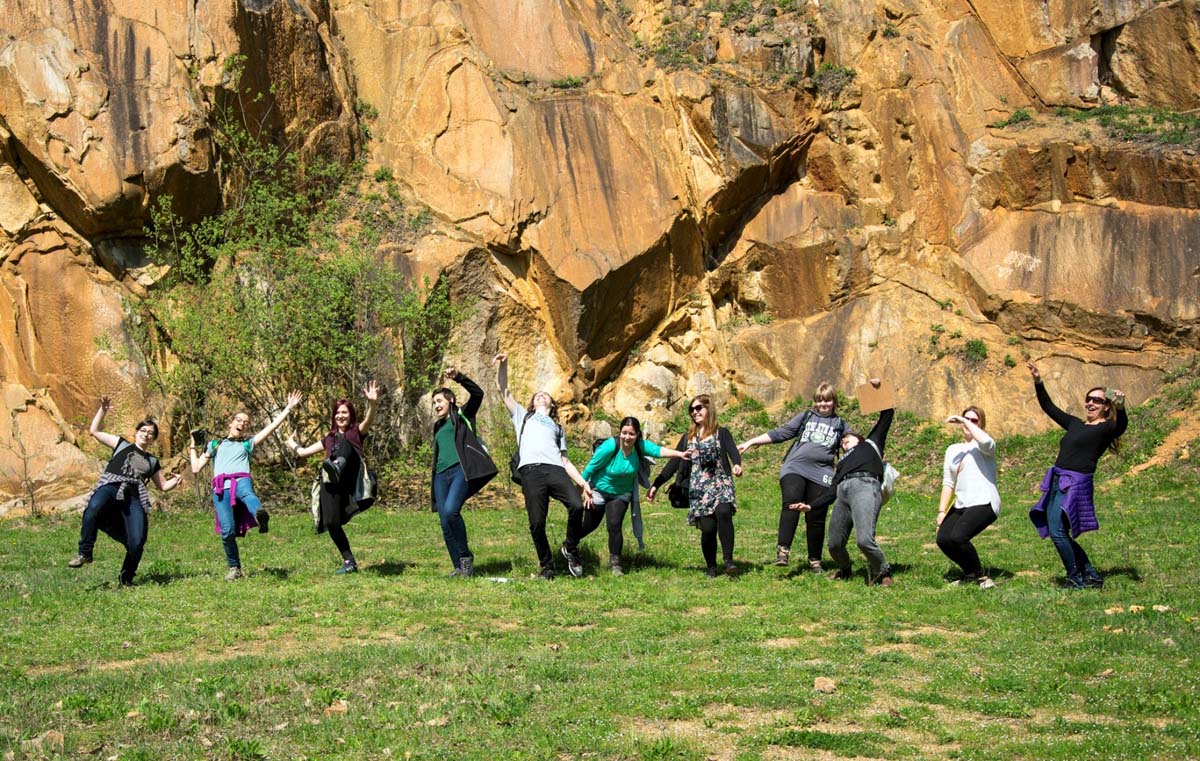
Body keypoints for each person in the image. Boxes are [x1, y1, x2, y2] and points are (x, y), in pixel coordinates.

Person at [1026, 362, 1127, 589]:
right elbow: (1049, 407)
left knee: (1058, 531)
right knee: (1059, 531)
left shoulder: (1106, 429)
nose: (1090, 403)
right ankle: (1090, 575)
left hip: (1075, 483)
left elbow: (1121, 426)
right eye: (1088, 399)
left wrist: (1121, 406)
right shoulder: (1074, 423)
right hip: (1057, 480)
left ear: (1106, 406)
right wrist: (1038, 381)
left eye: (1097, 400)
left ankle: (1076, 578)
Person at [495, 354, 594, 579]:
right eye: (537, 395)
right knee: (537, 522)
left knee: (577, 506)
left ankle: (570, 548)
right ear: (532, 403)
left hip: (555, 470)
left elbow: (565, 461)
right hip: (531, 471)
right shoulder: (523, 416)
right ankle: (547, 566)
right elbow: (504, 390)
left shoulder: (558, 428)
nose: (541, 396)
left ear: (552, 405)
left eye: (545, 396)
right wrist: (504, 364)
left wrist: (583, 483)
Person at [67, 397, 183, 586]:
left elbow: (162, 486)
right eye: (143, 431)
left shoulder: (152, 461)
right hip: (111, 486)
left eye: (150, 433)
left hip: (133, 495)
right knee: (93, 508)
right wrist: (102, 410)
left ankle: (126, 578)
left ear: (153, 439)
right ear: (136, 433)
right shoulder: (121, 444)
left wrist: (175, 481)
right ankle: (85, 553)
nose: (146, 435)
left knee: (137, 541)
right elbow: (94, 431)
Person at [189, 391, 301, 580]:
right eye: (239, 420)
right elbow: (196, 468)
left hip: (241, 479)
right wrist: (192, 445)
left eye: (246, 423)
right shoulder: (214, 445)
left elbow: (271, 427)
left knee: (247, 493)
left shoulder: (247, 444)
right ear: (230, 423)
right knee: (227, 531)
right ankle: (235, 568)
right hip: (220, 489)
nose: (242, 424)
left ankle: (260, 516)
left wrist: (288, 408)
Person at [737, 382, 849, 572]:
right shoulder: (806, 417)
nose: (824, 404)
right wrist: (752, 442)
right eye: (820, 400)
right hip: (795, 467)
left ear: (834, 401)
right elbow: (781, 433)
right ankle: (783, 551)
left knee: (816, 515)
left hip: (822, 473)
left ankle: (815, 560)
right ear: (815, 401)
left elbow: (853, 444)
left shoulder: (840, 424)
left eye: (828, 400)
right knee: (791, 502)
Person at [802, 379, 894, 586]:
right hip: (843, 491)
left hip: (865, 486)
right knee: (834, 545)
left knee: (864, 540)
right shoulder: (841, 463)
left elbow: (887, 414)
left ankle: (882, 571)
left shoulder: (871, 444)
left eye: (848, 437)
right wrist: (811, 505)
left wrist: (877, 387)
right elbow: (831, 491)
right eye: (842, 440)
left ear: (859, 438)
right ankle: (845, 569)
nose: (844, 439)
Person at [580, 416, 692, 576]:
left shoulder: (639, 445)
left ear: (637, 434)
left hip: (621, 493)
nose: (627, 437)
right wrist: (584, 488)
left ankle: (616, 564)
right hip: (599, 489)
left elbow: (658, 451)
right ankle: (569, 546)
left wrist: (680, 454)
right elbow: (591, 467)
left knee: (614, 524)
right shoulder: (611, 445)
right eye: (624, 433)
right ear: (620, 432)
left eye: (631, 434)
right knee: (589, 525)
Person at [287, 382, 378, 574]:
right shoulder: (328, 438)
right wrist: (290, 442)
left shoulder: (355, 433)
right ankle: (349, 562)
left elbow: (368, 421)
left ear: (350, 415)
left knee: (343, 443)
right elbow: (303, 453)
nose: (340, 415)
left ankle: (338, 464)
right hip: (332, 483)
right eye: (337, 412)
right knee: (331, 523)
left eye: (344, 412)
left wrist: (372, 404)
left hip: (350, 478)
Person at [649, 394, 743, 577]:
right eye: (691, 410)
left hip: (720, 482)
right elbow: (673, 463)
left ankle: (728, 561)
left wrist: (738, 464)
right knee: (707, 529)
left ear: (709, 409)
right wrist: (656, 484)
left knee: (723, 512)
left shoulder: (722, 433)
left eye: (699, 408)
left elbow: (733, 451)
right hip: (699, 488)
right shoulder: (688, 438)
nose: (695, 412)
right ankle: (711, 567)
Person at [426, 367, 498, 578]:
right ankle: (458, 566)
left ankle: (465, 557)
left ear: (451, 400)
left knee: (451, 511)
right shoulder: (438, 427)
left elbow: (478, 393)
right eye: (434, 403)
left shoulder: (463, 415)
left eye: (439, 401)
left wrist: (458, 377)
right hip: (440, 475)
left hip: (460, 470)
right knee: (444, 520)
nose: (436, 405)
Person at [936, 406, 1000, 589]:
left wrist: (963, 420)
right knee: (943, 539)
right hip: (962, 503)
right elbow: (948, 482)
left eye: (974, 420)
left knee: (959, 536)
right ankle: (970, 573)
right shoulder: (953, 449)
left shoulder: (985, 446)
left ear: (981, 424)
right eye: (966, 419)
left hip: (985, 501)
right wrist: (942, 511)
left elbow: (987, 442)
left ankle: (982, 577)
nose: (968, 423)